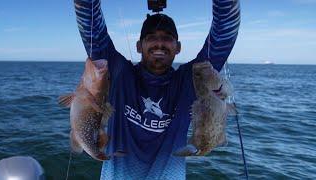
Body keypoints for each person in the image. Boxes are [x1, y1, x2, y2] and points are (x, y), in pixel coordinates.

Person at [73, 0, 240, 179]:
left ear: (178, 47)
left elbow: (224, 29)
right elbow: (91, 25)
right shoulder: (119, 73)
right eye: (151, 37)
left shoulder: (193, 79)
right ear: (139, 46)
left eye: (168, 37)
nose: (159, 42)